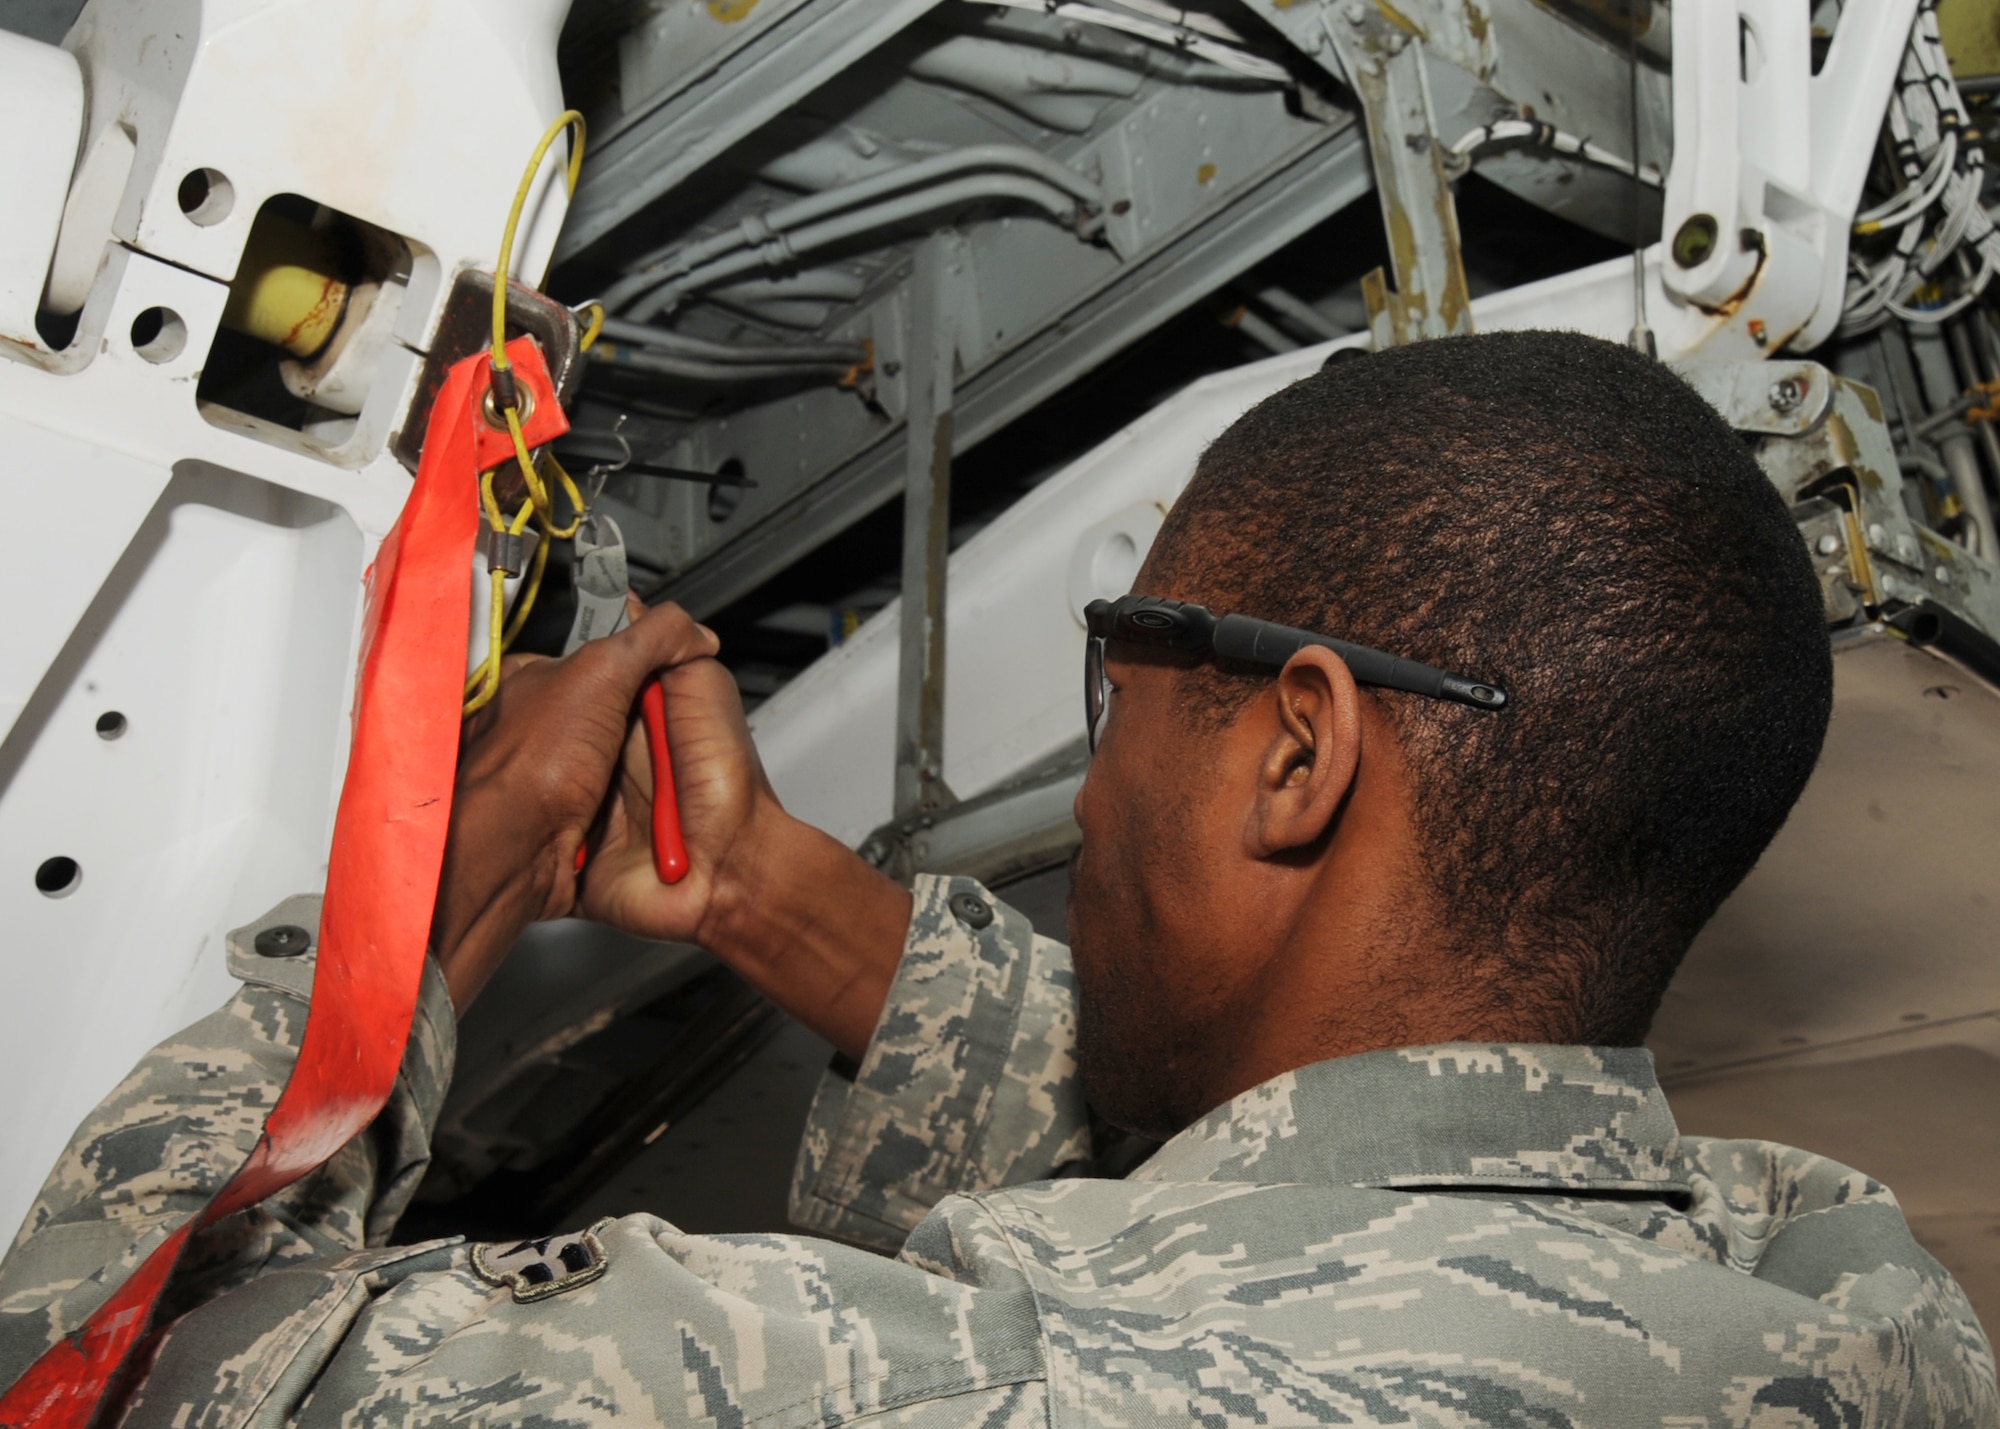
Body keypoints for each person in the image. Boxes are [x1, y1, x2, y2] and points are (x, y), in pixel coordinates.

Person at [2, 331, 1993, 1426]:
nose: (1100, 763)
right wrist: (768, 891)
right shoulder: (1850, 1308)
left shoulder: (884, 1391)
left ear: (1294, 750)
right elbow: (1337, 1175)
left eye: (1122, 669)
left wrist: (452, 879)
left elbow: (84, 1366)